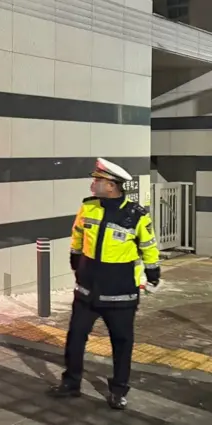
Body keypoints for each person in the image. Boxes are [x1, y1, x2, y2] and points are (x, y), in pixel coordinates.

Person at [48, 158, 161, 410]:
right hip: (87, 290)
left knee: (121, 342)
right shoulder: (88, 207)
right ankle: (71, 383)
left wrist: (153, 273)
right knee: (75, 337)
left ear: (112, 186)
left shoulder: (136, 215)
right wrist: (76, 261)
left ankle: (119, 390)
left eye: (98, 180)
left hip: (120, 294)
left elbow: (149, 246)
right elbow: (77, 234)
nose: (93, 184)